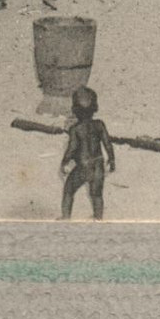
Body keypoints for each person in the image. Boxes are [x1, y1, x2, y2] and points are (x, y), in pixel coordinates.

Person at [59, 86, 116, 221]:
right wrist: (112, 160)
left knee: (68, 191)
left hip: (83, 166)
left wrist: (64, 162)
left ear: (74, 110)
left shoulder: (75, 129)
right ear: (95, 108)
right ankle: (98, 218)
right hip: (98, 164)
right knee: (97, 195)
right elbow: (108, 144)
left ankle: (66, 217)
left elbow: (72, 148)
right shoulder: (100, 124)